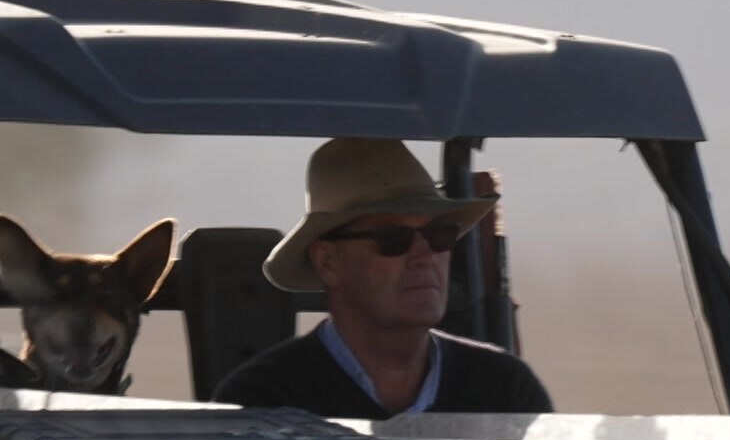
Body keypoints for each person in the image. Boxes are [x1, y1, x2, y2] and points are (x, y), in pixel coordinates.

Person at [213, 137, 551, 418]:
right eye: (394, 239)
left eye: (440, 235)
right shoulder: (261, 401)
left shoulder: (505, 390)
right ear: (327, 262)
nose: (424, 258)